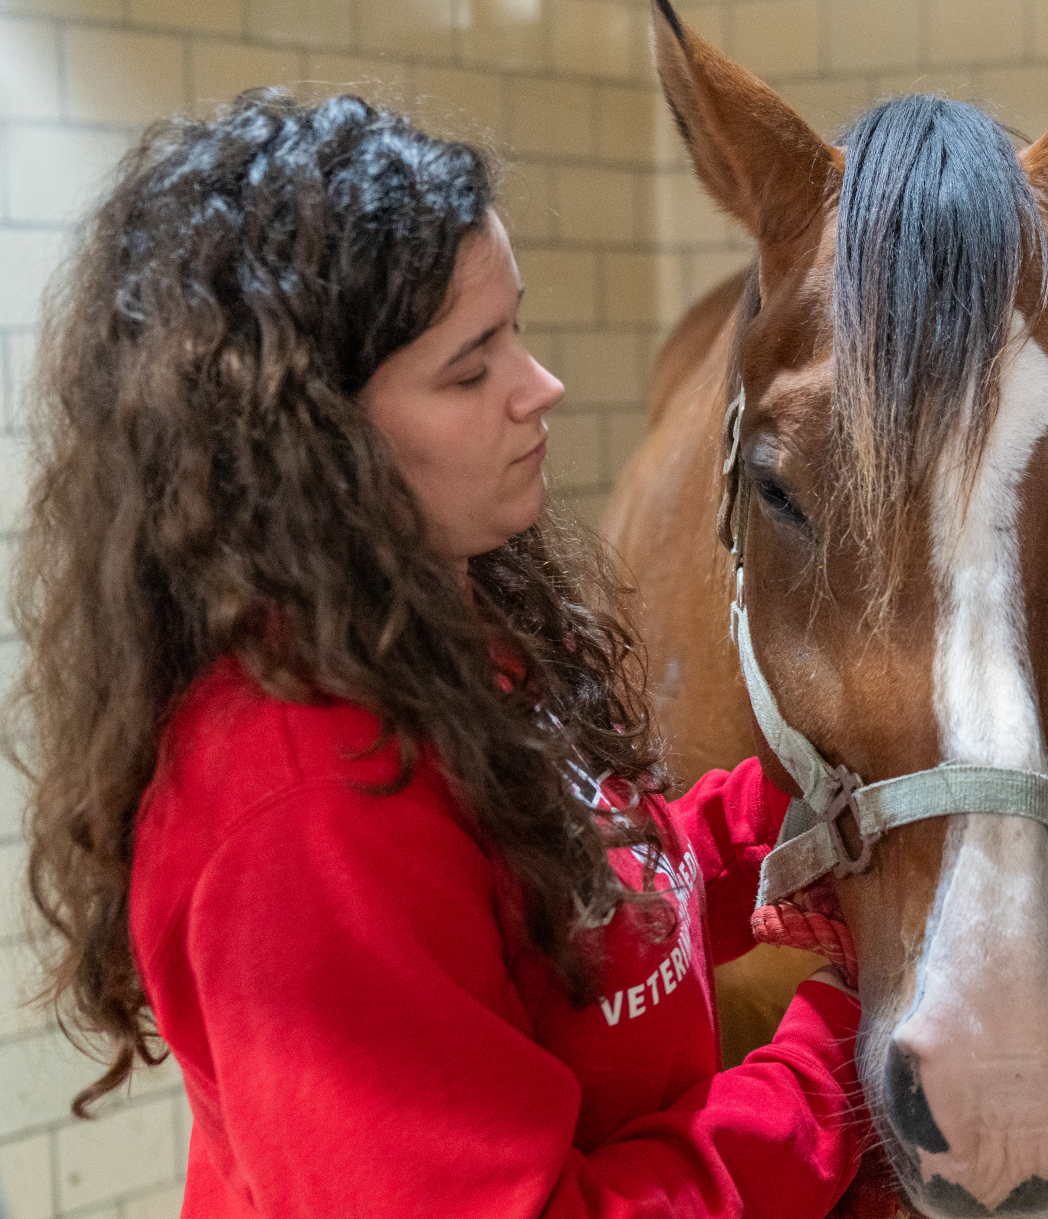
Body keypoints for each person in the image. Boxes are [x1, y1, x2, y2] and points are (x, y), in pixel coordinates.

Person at [9, 91, 875, 1218]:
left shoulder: (453, 614)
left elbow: (595, 893)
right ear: (308, 440)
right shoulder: (305, 806)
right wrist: (824, 1077)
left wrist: (790, 833)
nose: (539, 388)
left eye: (515, 327)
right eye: (470, 370)